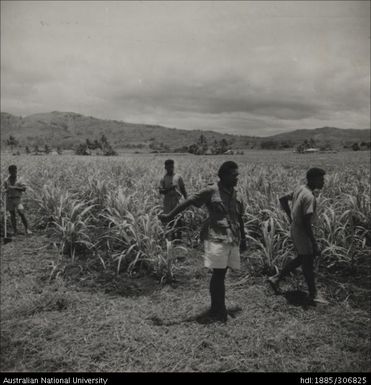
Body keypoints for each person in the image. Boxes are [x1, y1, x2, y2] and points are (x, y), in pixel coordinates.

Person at [159, 161, 247, 322]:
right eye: (234, 175)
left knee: (222, 274)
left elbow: (239, 217)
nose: (237, 178)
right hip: (216, 236)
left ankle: (216, 308)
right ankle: (219, 311)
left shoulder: (236, 193)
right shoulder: (211, 190)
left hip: (232, 237)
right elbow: (189, 201)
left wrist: (244, 238)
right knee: (219, 275)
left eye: (237, 175)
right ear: (224, 176)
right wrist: (169, 216)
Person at [268, 167, 327, 304]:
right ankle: (313, 294)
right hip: (302, 231)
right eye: (321, 179)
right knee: (307, 262)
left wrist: (290, 217)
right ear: (312, 179)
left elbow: (283, 199)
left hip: (296, 229)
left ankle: (276, 278)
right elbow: (307, 222)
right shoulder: (310, 197)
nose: (323, 182)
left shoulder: (301, 189)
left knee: (303, 258)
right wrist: (314, 243)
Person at [159, 159, 187, 240]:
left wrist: (186, 200)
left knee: (178, 218)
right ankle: (172, 236)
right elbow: (161, 191)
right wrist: (170, 189)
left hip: (177, 200)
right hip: (167, 201)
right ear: (165, 167)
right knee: (169, 218)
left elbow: (183, 189)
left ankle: (179, 237)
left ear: (173, 167)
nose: (170, 169)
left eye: (172, 167)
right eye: (168, 167)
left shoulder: (178, 177)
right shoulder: (163, 178)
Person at [3, 164, 32, 236]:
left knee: (21, 213)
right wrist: (5, 190)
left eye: (14, 170)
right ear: (9, 171)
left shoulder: (20, 179)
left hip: (17, 199)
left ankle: (27, 229)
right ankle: (15, 231)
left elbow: (24, 189)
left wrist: (14, 187)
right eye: (11, 170)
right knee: (12, 215)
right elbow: (6, 188)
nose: (13, 172)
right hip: (9, 199)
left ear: (16, 170)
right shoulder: (6, 180)